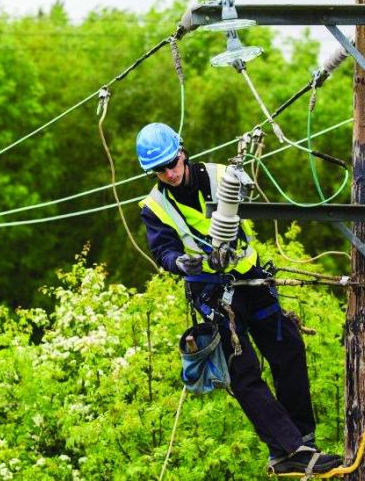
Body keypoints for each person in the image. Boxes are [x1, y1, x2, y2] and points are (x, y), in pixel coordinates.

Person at [135, 122, 343, 475]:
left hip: (251, 279)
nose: (169, 173)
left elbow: (250, 208)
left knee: (288, 346)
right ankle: (290, 450)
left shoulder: (221, 176)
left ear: (182, 151)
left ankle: (301, 440)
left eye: (172, 163)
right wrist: (179, 262)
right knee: (243, 370)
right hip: (213, 294)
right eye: (160, 169)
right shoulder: (154, 207)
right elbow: (164, 251)